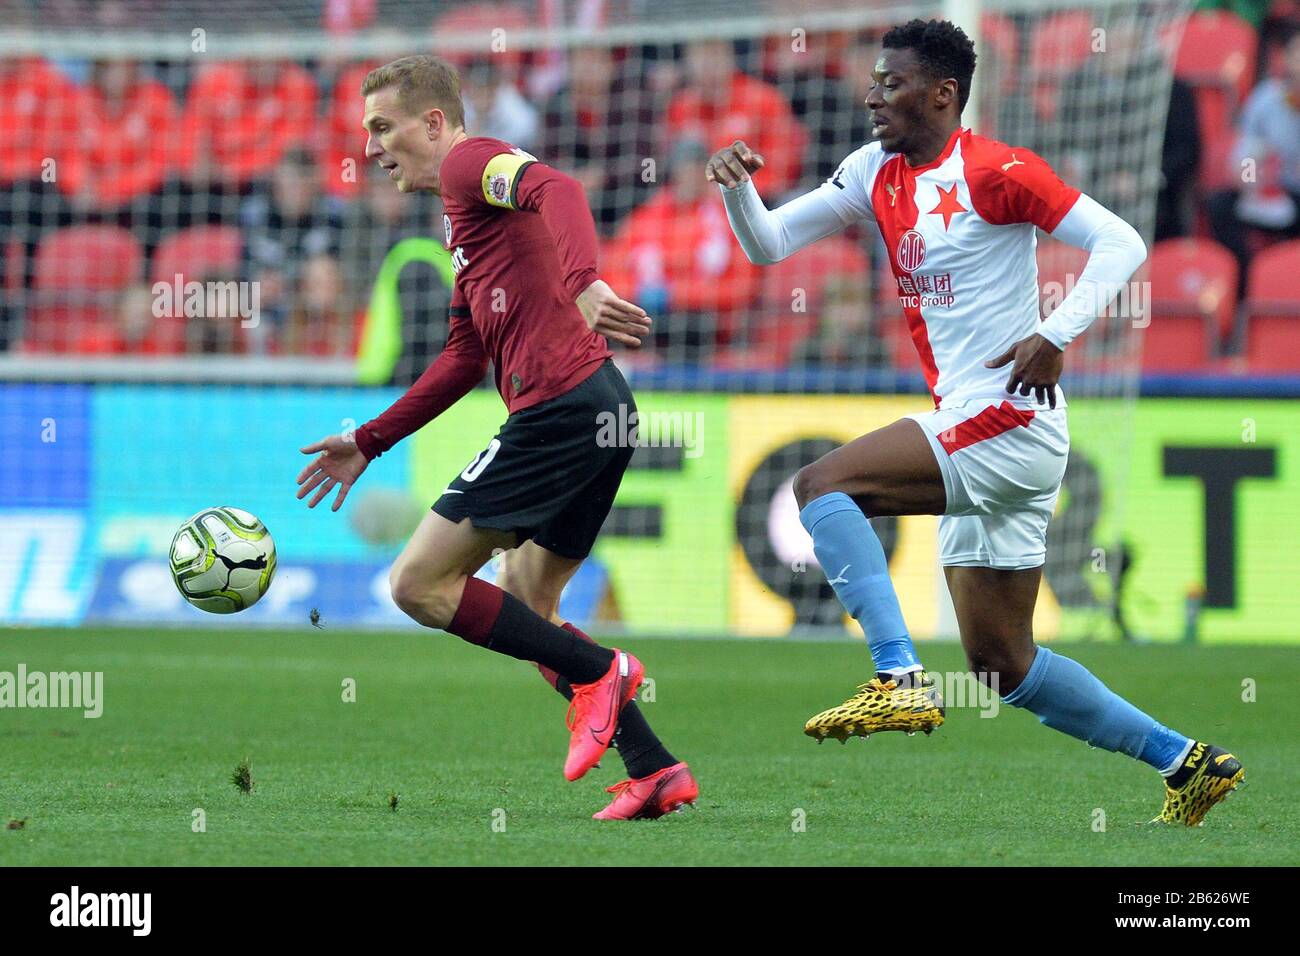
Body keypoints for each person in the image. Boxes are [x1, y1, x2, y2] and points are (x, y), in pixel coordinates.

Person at [707, 18, 1243, 827]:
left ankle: (896, 675)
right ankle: (1188, 763)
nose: (872, 95)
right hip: (987, 426)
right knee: (1002, 664)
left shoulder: (998, 170)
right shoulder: (872, 171)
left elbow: (1122, 241)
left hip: (1006, 420)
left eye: (891, 83)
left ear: (943, 93)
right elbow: (771, 245)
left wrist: (1058, 334)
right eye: (874, 82)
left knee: (822, 486)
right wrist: (738, 189)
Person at [295, 55, 696, 820]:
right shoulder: (463, 227)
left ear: (436, 123)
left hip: (558, 410)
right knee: (529, 602)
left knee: (416, 584)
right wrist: (369, 441)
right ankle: (653, 767)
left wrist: (586, 283)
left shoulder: (468, 165)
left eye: (384, 127)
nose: (374, 146)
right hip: (602, 409)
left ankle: (603, 672)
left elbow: (559, 187)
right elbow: (461, 359)